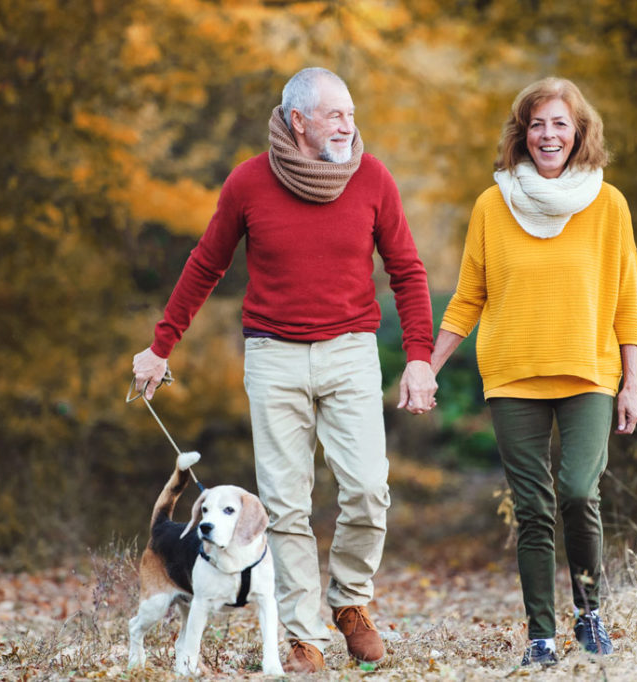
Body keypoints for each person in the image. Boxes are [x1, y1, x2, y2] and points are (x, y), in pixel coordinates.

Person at [132, 67, 437, 673]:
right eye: (335, 115)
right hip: (272, 356)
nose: (349, 125)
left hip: (351, 351)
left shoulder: (372, 177)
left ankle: (351, 604)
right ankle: (303, 636)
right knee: (285, 503)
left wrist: (420, 358)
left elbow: (407, 269)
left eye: (351, 113)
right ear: (298, 121)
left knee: (369, 488)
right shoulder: (249, 182)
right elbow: (206, 264)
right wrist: (161, 344)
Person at [429, 77, 637, 667]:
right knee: (532, 508)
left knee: (578, 490)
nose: (548, 135)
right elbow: (469, 295)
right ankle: (541, 636)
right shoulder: (492, 205)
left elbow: (627, 300)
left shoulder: (609, 204)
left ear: (580, 132)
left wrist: (631, 383)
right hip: (513, 375)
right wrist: (427, 364)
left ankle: (590, 613)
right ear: (522, 133)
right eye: (537, 124)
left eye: (560, 124)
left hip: (588, 373)